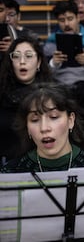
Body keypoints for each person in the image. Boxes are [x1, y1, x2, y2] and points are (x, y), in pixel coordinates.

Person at [1, 82, 84, 173]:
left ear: (70, 120)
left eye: (53, 117)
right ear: (27, 127)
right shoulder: (10, 172)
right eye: (35, 120)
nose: (44, 128)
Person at [0, 36, 52, 165]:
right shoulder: (2, 92)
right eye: (16, 56)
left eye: (29, 56)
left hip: (42, 163)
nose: (22, 61)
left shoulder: (52, 94)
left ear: (39, 62)